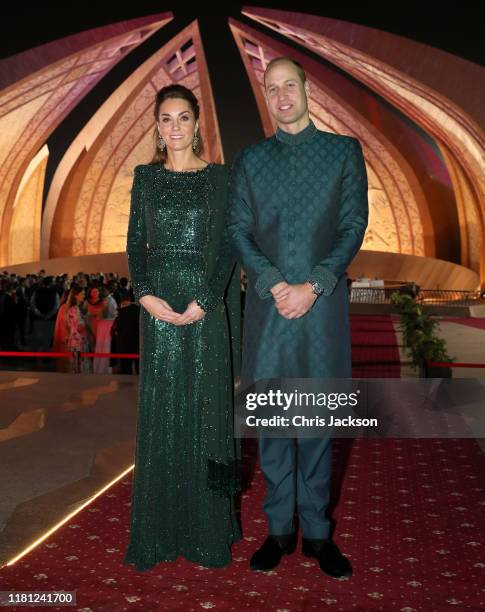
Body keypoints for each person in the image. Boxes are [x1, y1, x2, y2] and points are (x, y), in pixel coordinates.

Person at [228, 57, 368, 577]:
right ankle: (278, 530)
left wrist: (313, 285)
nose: (282, 95)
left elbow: (353, 225)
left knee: (315, 424)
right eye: (273, 88)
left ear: (307, 89)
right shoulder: (251, 161)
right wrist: (271, 284)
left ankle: (317, 532)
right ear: (266, 97)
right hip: (267, 313)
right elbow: (239, 230)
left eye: (290, 85)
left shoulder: (342, 152)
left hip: (321, 311)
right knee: (271, 424)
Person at [123, 84, 241, 571]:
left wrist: (207, 300)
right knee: (163, 414)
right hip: (159, 312)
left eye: (183, 118)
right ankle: (159, 530)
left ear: (197, 125)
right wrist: (145, 295)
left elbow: (231, 246)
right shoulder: (144, 179)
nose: (174, 127)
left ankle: (209, 530)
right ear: (157, 126)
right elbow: (135, 244)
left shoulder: (221, 179)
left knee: (208, 414)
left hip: (203, 312)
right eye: (166, 118)